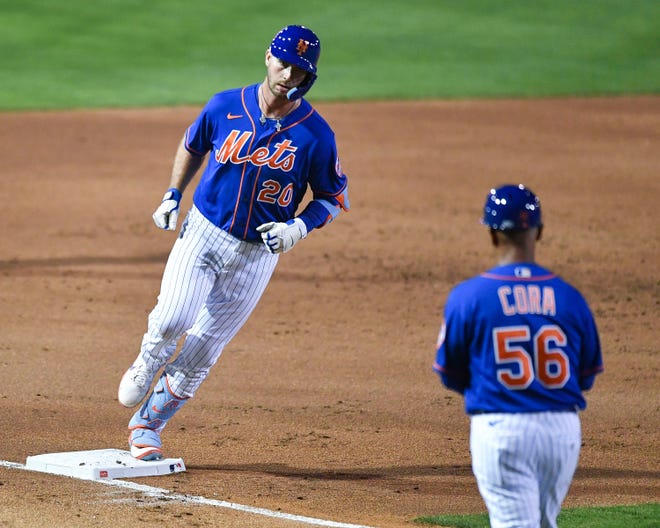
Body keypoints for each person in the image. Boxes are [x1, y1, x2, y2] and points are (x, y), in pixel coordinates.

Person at [117, 25, 349, 461]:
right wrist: (172, 193)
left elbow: (333, 196)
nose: (288, 75)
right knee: (172, 319)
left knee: (205, 348)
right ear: (267, 57)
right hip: (203, 232)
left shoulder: (316, 136)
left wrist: (299, 227)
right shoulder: (225, 105)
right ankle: (147, 361)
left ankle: (148, 424)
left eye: (299, 70)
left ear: (308, 75)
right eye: (283, 64)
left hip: (257, 254)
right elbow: (192, 144)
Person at [433, 184, 603, 528]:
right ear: (539, 231)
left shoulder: (469, 297)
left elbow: (450, 373)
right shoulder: (569, 298)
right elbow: (585, 376)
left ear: (493, 234)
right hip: (562, 432)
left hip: (502, 429)